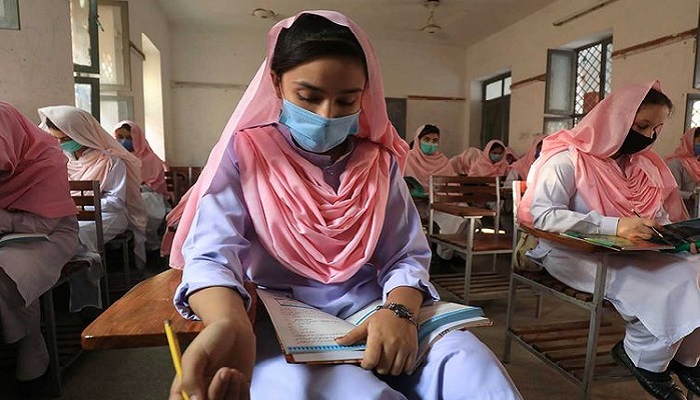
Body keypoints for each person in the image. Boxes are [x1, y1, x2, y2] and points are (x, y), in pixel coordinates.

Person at [167, 11, 522, 400]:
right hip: (281, 316)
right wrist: (227, 322)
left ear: (364, 95)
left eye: (346, 99)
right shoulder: (245, 155)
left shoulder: (378, 162)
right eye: (309, 97)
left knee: (474, 369)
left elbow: (404, 254)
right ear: (276, 82)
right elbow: (211, 255)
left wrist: (399, 311)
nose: (327, 115)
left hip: (373, 306)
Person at [518, 81, 699, 400]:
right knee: (671, 283)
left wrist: (677, 236)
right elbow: (541, 215)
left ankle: (687, 361)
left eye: (657, 128)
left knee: (697, 269)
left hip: (633, 251)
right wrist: (615, 226)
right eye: (642, 126)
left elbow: (657, 214)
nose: (649, 137)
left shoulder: (645, 166)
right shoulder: (568, 158)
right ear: (615, 120)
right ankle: (644, 357)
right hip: (573, 250)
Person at [0, 102, 79, 383]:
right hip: (10, 233)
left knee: (9, 270)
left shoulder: (47, 160)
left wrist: (3, 220)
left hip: (50, 234)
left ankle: (30, 343)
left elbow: (45, 223)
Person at [38, 106, 148, 268]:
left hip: (108, 214)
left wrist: (80, 207)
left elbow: (115, 201)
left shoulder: (110, 161)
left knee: (77, 235)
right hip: (69, 214)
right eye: (56, 139)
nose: (61, 144)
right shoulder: (60, 161)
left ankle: (87, 283)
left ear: (80, 135)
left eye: (66, 139)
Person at [114, 120, 170, 251]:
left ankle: (149, 245)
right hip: (123, 195)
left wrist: (140, 188)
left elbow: (157, 184)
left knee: (144, 203)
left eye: (128, 138)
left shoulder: (150, 158)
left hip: (149, 194)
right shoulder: (114, 157)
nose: (123, 141)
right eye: (119, 137)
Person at [666, 127, 700, 216]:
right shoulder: (676, 163)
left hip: (696, 212)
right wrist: (692, 196)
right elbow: (671, 192)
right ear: (690, 141)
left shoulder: (698, 163)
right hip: (680, 214)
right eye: (699, 141)